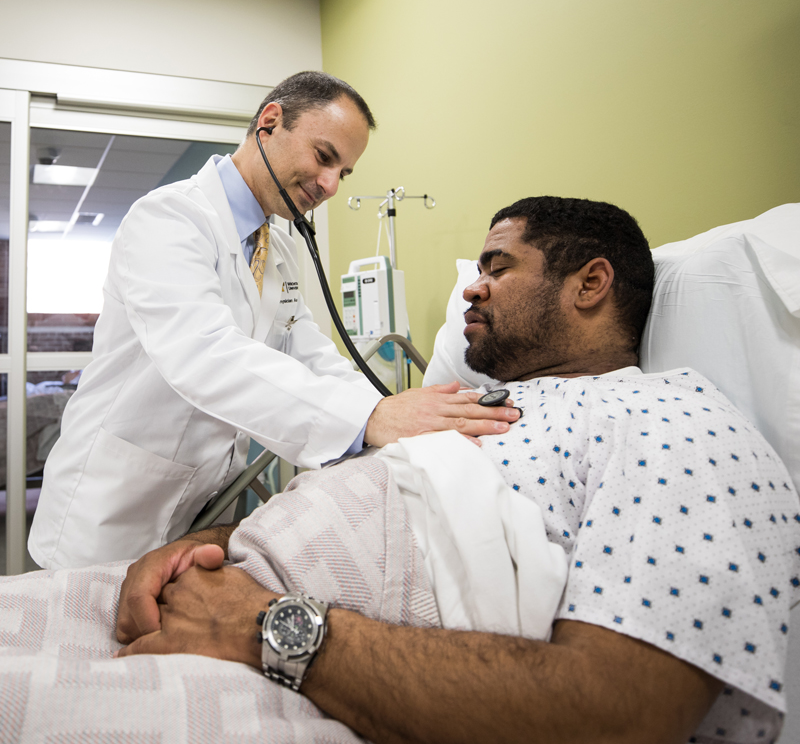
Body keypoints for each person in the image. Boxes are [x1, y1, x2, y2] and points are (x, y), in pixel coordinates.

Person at [107, 196, 800, 744]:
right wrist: (215, 544)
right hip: (203, 601)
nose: (471, 285)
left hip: (265, 655)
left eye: (498, 267)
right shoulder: (468, 408)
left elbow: (616, 722)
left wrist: (265, 623)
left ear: (591, 282)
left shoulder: (667, 419)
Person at [28, 71, 517, 571]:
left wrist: (391, 416)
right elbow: (202, 354)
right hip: (113, 505)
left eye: (343, 173)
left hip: (201, 502)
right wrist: (368, 420)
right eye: (325, 157)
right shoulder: (169, 219)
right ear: (270, 122)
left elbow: (309, 352)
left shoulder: (279, 248)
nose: (329, 185)